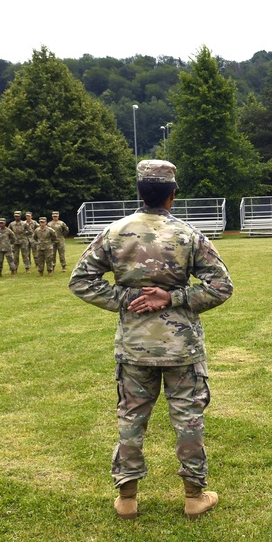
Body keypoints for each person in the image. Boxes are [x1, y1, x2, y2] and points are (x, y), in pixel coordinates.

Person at [70, 159, 233, 521]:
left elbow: (81, 280)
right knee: (188, 419)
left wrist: (127, 300)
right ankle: (194, 496)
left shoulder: (115, 232)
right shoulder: (189, 235)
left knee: (131, 418)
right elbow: (221, 287)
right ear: (172, 195)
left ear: (139, 192)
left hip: (134, 346)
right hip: (182, 348)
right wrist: (173, 297)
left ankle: (127, 498)